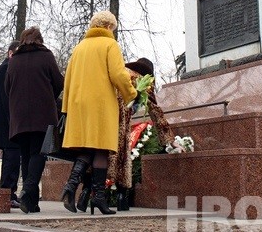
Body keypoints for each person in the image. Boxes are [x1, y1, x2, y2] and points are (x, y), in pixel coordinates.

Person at [60, 11, 137, 215]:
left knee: (88, 147)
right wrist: (132, 94)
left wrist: (66, 107)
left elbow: (68, 79)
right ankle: (99, 198)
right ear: (109, 26)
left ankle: (70, 186)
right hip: (100, 103)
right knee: (101, 149)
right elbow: (118, 74)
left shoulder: (79, 48)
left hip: (78, 104)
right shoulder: (110, 45)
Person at [106, 57, 177, 211]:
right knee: (121, 159)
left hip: (104, 119)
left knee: (100, 156)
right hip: (121, 123)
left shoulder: (121, 73)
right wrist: (170, 139)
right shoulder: (143, 80)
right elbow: (156, 112)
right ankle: (121, 197)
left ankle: (87, 193)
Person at [6, 27, 64, 214]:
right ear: (40, 40)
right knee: (39, 153)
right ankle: (28, 190)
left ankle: (31, 203)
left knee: (26, 155)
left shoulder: (14, 60)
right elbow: (59, 82)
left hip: (19, 116)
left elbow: (8, 87)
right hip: (43, 114)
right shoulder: (46, 56)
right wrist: (49, 96)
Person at [0, 40, 24, 208]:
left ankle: (10, 193)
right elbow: (7, 98)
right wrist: (14, 121)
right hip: (8, 124)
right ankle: (7, 194)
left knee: (13, 160)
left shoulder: (7, 68)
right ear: (11, 53)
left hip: (9, 123)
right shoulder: (5, 69)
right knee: (11, 160)